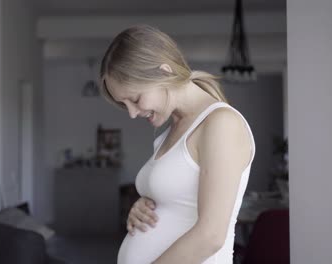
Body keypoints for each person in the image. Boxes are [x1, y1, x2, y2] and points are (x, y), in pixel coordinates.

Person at [99, 24, 256, 264]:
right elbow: (181, 204)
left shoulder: (221, 123)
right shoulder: (174, 128)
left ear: (164, 72)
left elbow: (211, 236)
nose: (132, 113)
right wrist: (145, 207)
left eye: (135, 99)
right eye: (124, 105)